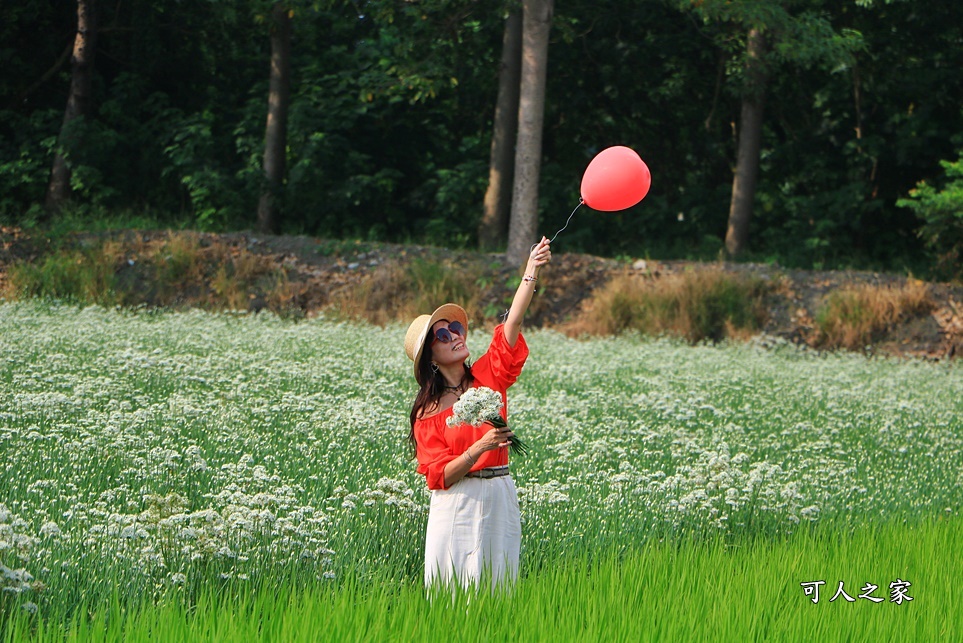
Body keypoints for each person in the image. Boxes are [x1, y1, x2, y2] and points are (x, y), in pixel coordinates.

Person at [403, 237, 552, 591]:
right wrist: (479, 447)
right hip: (457, 504)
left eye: (455, 328)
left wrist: (530, 271)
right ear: (431, 358)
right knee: (452, 595)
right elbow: (438, 476)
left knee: (498, 591)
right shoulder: (428, 411)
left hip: (499, 492)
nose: (455, 334)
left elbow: (512, 323)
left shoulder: (487, 375)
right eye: (443, 335)